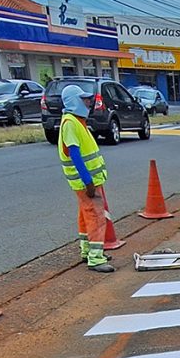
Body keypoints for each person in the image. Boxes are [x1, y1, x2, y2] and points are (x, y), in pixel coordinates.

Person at [58, 84, 114, 272]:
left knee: (85, 215)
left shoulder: (75, 121)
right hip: (86, 182)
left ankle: (87, 251)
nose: (88, 103)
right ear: (74, 101)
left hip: (86, 181)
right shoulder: (71, 123)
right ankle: (96, 258)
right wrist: (88, 181)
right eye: (84, 99)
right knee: (97, 217)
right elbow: (74, 154)